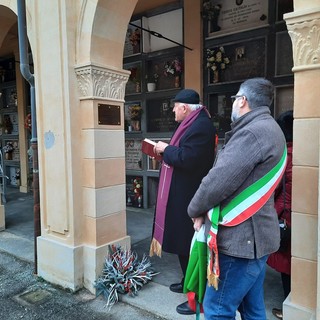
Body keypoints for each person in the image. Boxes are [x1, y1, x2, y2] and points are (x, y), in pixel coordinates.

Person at [187, 78, 287, 319]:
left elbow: (217, 181)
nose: (233, 104)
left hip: (241, 242)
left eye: (234, 99)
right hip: (257, 239)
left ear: (242, 101)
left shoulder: (252, 133)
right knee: (253, 311)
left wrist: (194, 209)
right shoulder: (270, 128)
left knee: (217, 310)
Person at [149, 88, 216, 315]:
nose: (173, 111)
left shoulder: (201, 126)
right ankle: (186, 281)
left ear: (185, 108)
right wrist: (164, 150)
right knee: (182, 243)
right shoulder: (192, 123)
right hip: (181, 195)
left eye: (175, 107)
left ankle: (197, 297)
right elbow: (181, 152)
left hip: (190, 196)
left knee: (191, 246)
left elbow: (187, 158)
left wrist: (165, 149)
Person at [267, 110, 293, 320]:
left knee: (287, 265)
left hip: (287, 217)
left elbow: (278, 189)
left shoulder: (287, 156)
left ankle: (289, 309)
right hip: (301, 217)